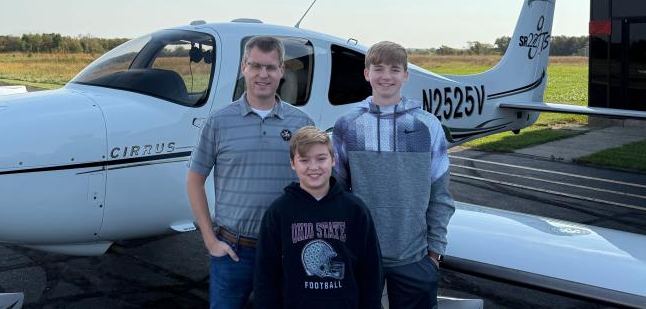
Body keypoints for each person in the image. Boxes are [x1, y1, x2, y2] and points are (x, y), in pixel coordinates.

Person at [187, 36, 315, 309]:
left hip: (284, 249)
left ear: (282, 70)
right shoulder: (219, 122)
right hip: (233, 250)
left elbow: (315, 185)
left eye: (271, 67)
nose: (263, 74)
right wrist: (210, 240)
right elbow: (194, 181)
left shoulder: (301, 123)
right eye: (255, 66)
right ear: (244, 67)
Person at [332, 40, 455, 309]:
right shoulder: (346, 126)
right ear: (366, 74)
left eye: (394, 69)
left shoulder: (428, 126)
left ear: (406, 75)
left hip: (414, 259)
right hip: (361, 258)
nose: (386, 76)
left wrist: (434, 255)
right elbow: (336, 195)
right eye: (378, 69)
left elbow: (441, 196)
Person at [254, 126, 383, 309]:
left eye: (321, 159)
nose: (313, 167)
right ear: (292, 163)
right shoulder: (279, 212)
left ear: (333, 160)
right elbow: (265, 275)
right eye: (304, 160)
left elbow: (371, 271)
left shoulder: (356, 209)